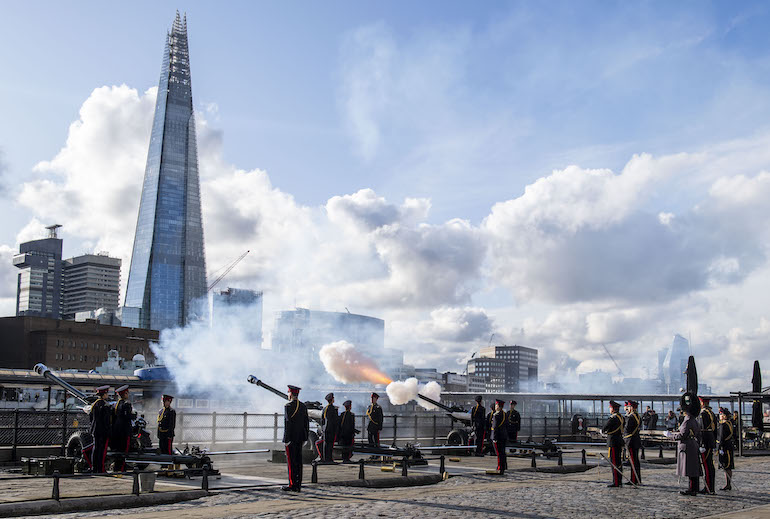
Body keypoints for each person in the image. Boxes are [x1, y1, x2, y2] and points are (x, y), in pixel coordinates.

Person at [672, 392, 702, 496]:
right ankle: (694, 488)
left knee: (690, 469)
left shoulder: (687, 420)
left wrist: (670, 435)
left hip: (687, 446)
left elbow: (682, 435)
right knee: (694, 468)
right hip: (693, 444)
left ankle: (692, 489)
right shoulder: (693, 419)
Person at [283, 385, 309, 492]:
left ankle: (292, 484)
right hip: (300, 438)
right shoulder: (303, 406)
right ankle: (298, 484)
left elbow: (287, 424)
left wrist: (286, 439)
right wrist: (305, 437)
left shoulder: (288, 406)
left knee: (291, 462)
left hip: (292, 438)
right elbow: (305, 423)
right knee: (298, 462)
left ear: (290, 394)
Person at [89, 385, 112, 473]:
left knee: (95, 449)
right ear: (104, 394)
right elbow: (106, 421)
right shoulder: (105, 405)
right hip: (102, 431)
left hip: (95, 430)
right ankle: (101, 468)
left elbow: (91, 418)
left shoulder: (94, 404)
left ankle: (94, 468)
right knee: (102, 450)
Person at [602, 400, 624, 487]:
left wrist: (602, 431)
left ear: (613, 409)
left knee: (614, 462)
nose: (609, 409)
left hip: (613, 442)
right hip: (619, 440)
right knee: (618, 462)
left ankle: (616, 481)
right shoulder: (621, 417)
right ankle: (619, 479)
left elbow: (605, 428)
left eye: (610, 408)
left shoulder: (613, 418)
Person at [111, 385, 134, 472]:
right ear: (125, 394)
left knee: (118, 450)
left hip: (117, 430)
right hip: (125, 430)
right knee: (124, 450)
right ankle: (122, 468)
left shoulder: (115, 404)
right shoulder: (126, 404)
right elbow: (128, 417)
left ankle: (117, 467)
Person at [698, 397, 717, 494]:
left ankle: (709, 487)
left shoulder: (703, 414)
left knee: (707, 466)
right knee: (710, 465)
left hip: (705, 441)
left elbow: (702, 430)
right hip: (711, 440)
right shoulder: (712, 413)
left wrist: (701, 443)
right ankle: (710, 486)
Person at [624, 400, 642, 485]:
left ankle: (634, 479)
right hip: (636, 440)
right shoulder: (637, 416)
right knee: (635, 460)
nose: (628, 408)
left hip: (630, 440)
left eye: (629, 407)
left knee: (633, 461)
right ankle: (637, 478)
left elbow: (627, 429)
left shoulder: (630, 417)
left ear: (632, 407)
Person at [717, 407, 735, 491]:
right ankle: (728, 483)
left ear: (724, 416)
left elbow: (721, 437)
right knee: (728, 466)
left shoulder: (723, 425)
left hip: (724, 446)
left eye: (721, 414)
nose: (720, 416)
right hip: (729, 445)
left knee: (726, 465)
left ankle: (728, 484)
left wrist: (719, 447)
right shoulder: (729, 423)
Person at [317, 392, 338, 462]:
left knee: (326, 444)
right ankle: (328, 458)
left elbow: (322, 420)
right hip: (330, 429)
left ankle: (325, 458)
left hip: (325, 429)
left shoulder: (325, 408)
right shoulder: (332, 408)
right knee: (329, 445)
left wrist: (323, 428)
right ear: (332, 400)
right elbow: (333, 420)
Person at [490, 399, 508, 474]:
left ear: (498, 406)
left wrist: (494, 438)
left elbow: (495, 427)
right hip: (503, 436)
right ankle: (503, 466)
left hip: (498, 437)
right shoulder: (504, 414)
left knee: (499, 453)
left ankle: (500, 467)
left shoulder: (496, 415)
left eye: (496, 405)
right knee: (502, 452)